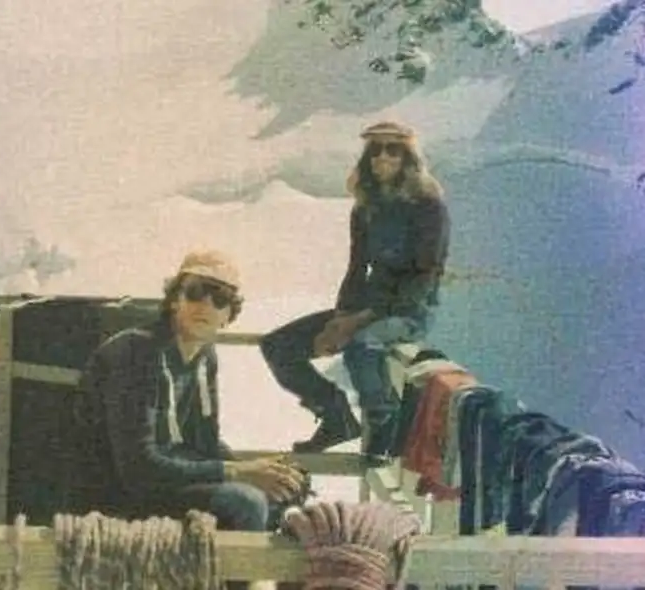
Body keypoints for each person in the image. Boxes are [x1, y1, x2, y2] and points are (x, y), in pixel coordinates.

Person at [79, 250, 306, 590]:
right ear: (174, 300)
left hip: (167, 478)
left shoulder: (204, 357)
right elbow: (138, 468)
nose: (206, 305)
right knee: (246, 501)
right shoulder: (136, 354)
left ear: (230, 314)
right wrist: (240, 472)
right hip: (120, 491)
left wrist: (265, 472)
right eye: (196, 291)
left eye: (221, 298)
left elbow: (204, 443)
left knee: (285, 488)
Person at [260, 121, 450, 456]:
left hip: (408, 311)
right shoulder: (367, 207)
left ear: (409, 157)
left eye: (392, 149)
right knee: (279, 345)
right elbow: (356, 267)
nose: (382, 157)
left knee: (363, 345)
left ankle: (383, 421)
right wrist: (341, 316)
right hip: (365, 307)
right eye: (374, 150)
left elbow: (423, 277)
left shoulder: (428, 207)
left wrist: (356, 321)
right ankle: (335, 414)